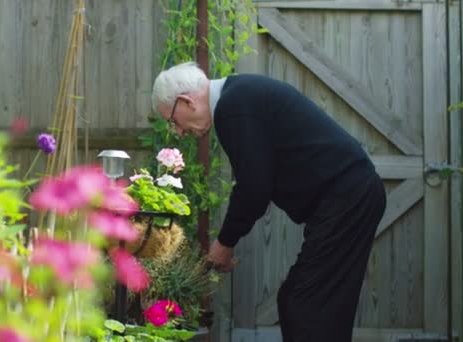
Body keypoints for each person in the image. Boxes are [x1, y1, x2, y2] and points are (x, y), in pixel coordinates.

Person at [151, 61, 386, 342]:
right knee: (313, 304)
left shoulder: (233, 107)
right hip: (347, 198)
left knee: (305, 305)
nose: (177, 131)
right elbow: (257, 181)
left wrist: (224, 244)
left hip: (348, 198)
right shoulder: (237, 98)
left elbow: (254, 187)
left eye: (173, 121)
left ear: (186, 101)